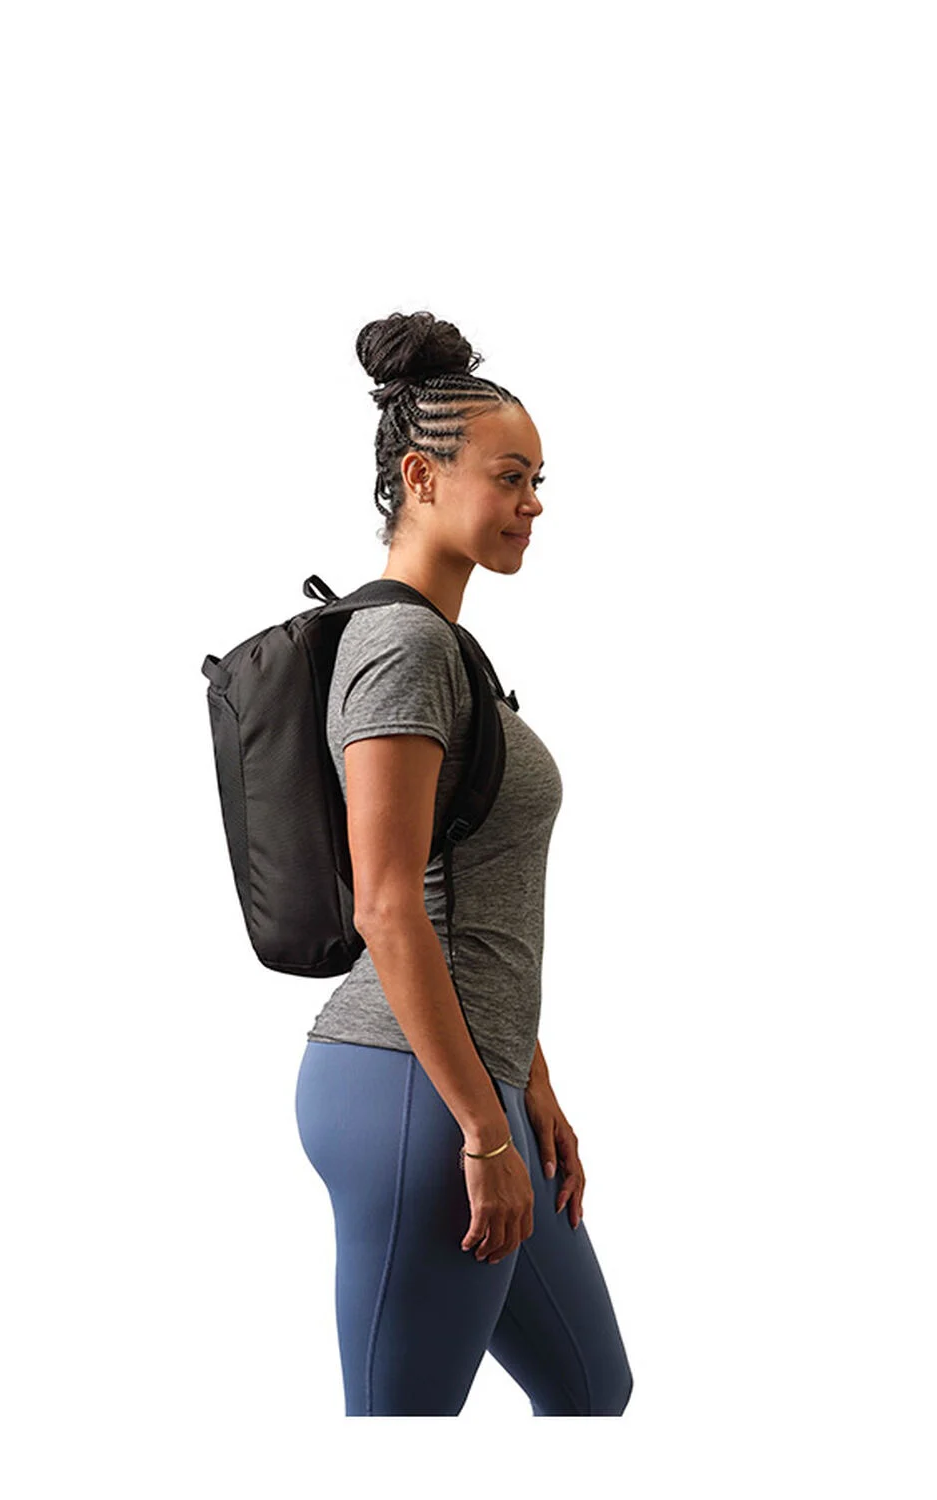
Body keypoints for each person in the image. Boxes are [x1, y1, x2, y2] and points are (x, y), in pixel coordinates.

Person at [295, 309, 634, 1416]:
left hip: (472, 1083)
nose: (534, 503)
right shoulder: (400, 647)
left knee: (592, 1393)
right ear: (420, 476)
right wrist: (483, 1133)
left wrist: (529, 1083)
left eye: (539, 480)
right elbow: (391, 907)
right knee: (400, 1435)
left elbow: (473, 898)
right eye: (511, 477)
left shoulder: (450, 652)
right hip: (411, 1091)